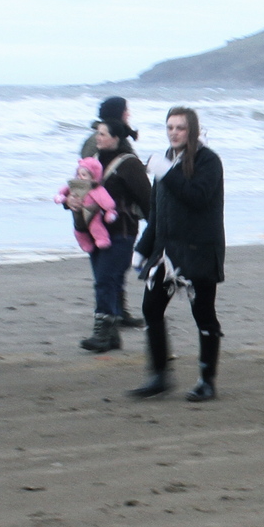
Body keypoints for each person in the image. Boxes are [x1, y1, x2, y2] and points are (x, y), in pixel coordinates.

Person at [130, 107, 225, 401]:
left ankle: (207, 381)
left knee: (204, 315)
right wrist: (142, 249)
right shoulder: (166, 161)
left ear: (192, 130)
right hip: (166, 254)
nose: (174, 132)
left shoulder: (209, 161)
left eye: (180, 127)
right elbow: (157, 216)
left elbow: (197, 197)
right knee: (151, 309)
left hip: (199, 251)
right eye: (170, 127)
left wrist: (165, 173)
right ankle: (159, 376)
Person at [78, 121, 150, 353]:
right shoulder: (94, 162)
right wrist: (70, 202)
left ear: (116, 137)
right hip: (95, 232)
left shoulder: (130, 165)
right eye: (97, 133)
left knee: (105, 281)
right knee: (107, 281)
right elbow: (81, 194)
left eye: (102, 134)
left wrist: (157, 235)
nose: (97, 138)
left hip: (122, 233)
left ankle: (102, 333)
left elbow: (148, 202)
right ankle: (111, 336)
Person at [66, 157, 118, 251]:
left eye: (83, 175)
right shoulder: (74, 186)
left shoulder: (95, 189)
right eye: (78, 174)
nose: (80, 177)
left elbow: (106, 201)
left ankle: (102, 239)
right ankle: (86, 245)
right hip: (79, 215)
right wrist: (64, 199)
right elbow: (64, 193)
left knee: (95, 227)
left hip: (92, 214)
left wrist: (110, 211)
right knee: (79, 231)